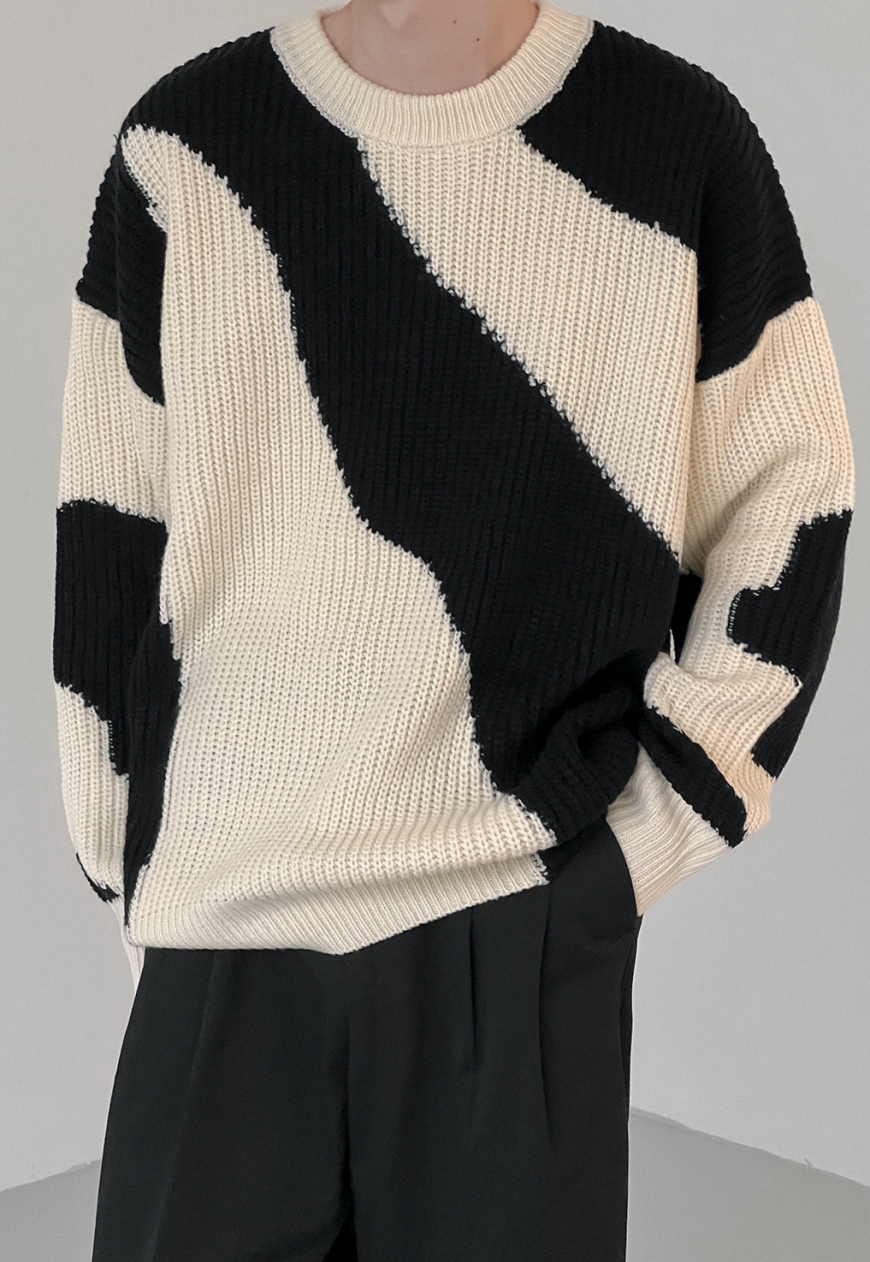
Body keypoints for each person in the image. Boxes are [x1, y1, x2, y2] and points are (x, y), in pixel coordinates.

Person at [52, 1, 855, 1258]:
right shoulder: (183, 144)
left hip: (512, 916)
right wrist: (134, 871)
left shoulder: (675, 141)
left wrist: (643, 843)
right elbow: (109, 543)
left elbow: (792, 497)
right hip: (223, 932)